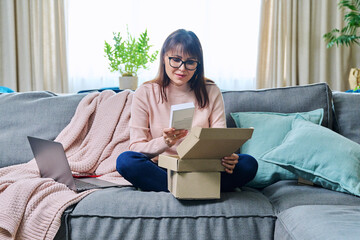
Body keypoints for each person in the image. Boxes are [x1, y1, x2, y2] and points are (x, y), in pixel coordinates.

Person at [116, 29, 258, 192]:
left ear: (198, 65)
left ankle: (179, 188)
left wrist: (227, 156)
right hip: (162, 168)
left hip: (203, 168)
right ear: (164, 58)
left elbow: (220, 137)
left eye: (190, 62)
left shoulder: (211, 91)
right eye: (175, 60)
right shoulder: (146, 92)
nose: (182, 68)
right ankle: (193, 189)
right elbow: (136, 147)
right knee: (126, 161)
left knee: (248, 163)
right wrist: (165, 142)